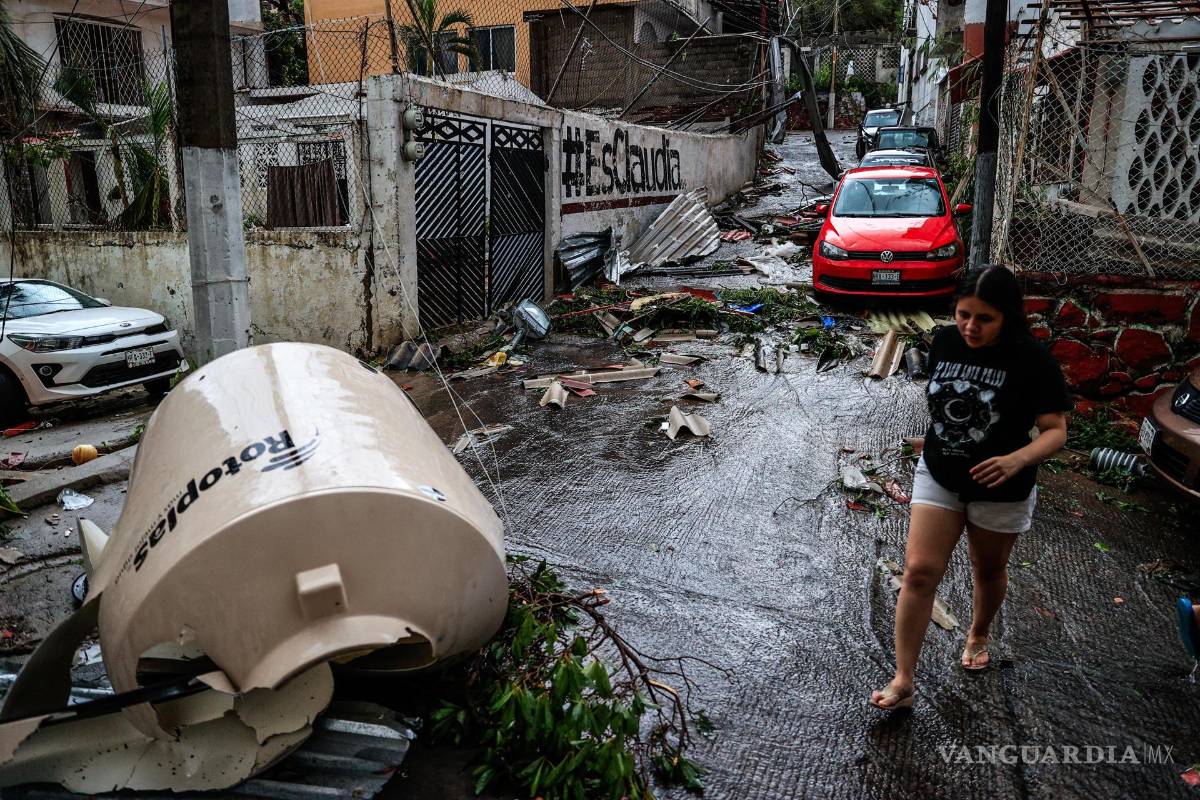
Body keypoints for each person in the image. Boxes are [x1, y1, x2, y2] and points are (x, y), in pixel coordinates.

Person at [870, 265, 1072, 710]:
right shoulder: (943, 341)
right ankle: (904, 680)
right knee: (920, 571)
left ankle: (978, 632)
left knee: (987, 569)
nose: (970, 327)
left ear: (1007, 317)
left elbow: (1056, 430)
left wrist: (1018, 458)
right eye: (963, 315)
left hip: (1002, 485)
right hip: (941, 473)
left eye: (984, 319)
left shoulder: (1032, 360)